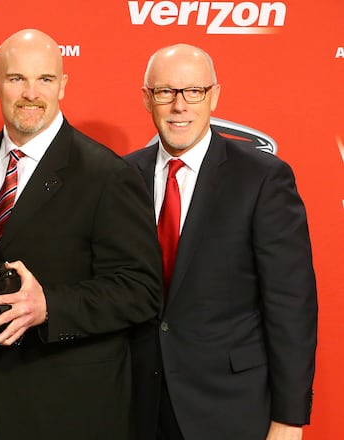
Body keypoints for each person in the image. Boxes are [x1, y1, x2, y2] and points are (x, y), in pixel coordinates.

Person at [0, 29, 163, 440]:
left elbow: (141, 289)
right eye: (17, 78)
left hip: (71, 409)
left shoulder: (106, 174)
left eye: (45, 79)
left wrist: (49, 306)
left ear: (63, 85)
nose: (31, 93)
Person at [125, 43, 317, 440]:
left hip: (230, 406)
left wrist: (289, 418)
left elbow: (291, 304)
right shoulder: (122, 176)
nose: (179, 105)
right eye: (165, 91)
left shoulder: (262, 178)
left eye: (193, 91)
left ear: (214, 96)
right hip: (139, 404)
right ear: (146, 99)